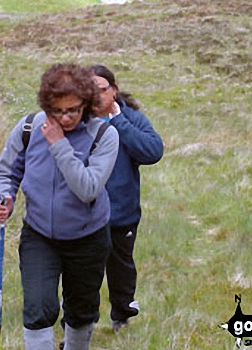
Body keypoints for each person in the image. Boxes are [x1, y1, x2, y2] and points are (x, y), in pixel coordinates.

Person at [0, 63, 119, 350]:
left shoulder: (103, 136)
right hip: (39, 236)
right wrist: (4, 197)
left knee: (81, 310)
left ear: (86, 103)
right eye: (58, 111)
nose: (66, 117)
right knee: (38, 308)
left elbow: (87, 189)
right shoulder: (28, 128)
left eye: (73, 109)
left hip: (88, 238)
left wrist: (59, 145)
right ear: (47, 104)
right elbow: (7, 174)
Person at [90, 64, 164, 333]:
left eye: (102, 89)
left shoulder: (131, 119)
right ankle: (77, 325)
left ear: (114, 90)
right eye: (90, 90)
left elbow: (153, 151)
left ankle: (121, 313)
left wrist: (119, 122)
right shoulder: (75, 121)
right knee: (84, 274)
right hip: (83, 216)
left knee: (121, 269)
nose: (96, 95)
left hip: (122, 214)